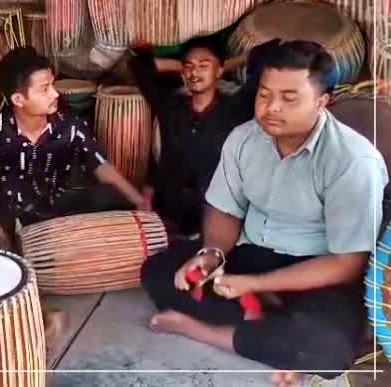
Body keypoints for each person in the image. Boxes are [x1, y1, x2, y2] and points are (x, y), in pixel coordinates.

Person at [140, 40, 387, 384]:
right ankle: (266, 320)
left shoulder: (352, 160)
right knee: (159, 272)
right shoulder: (243, 139)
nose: (272, 108)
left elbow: (347, 264)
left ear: (322, 101)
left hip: (318, 271)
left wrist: (255, 283)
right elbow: (225, 209)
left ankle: (202, 329)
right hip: (252, 253)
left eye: (289, 98)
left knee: (327, 348)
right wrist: (211, 255)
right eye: (264, 94)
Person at [0, 46, 148, 251]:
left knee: (110, 196)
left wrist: (139, 201)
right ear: (18, 99)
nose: (54, 93)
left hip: (55, 209)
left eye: (53, 84)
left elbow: (100, 165)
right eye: (44, 89)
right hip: (10, 218)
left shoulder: (69, 124)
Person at [130, 37, 261, 238]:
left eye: (203, 65)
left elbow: (263, 62)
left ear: (219, 71)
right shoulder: (170, 107)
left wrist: (238, 61)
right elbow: (141, 68)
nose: (194, 72)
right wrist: (175, 64)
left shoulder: (236, 109)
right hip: (169, 211)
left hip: (217, 215)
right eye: (189, 66)